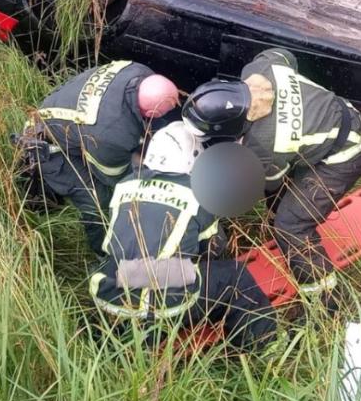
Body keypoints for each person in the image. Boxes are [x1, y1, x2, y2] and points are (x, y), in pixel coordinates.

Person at [181, 48, 361, 297]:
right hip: (341, 115)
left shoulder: (263, 144)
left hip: (346, 154)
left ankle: (326, 298)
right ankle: (282, 228)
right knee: (283, 193)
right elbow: (284, 55)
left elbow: (270, 184)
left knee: (290, 226)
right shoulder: (262, 69)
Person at [89, 122, 277, 349]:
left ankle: (112, 337)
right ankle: (263, 347)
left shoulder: (125, 185)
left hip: (110, 291)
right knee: (235, 276)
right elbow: (214, 249)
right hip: (163, 304)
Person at [12, 60, 180, 251]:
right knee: (96, 200)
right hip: (50, 147)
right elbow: (114, 178)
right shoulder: (112, 133)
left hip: (57, 113)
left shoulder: (139, 70)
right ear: (149, 111)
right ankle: (103, 252)